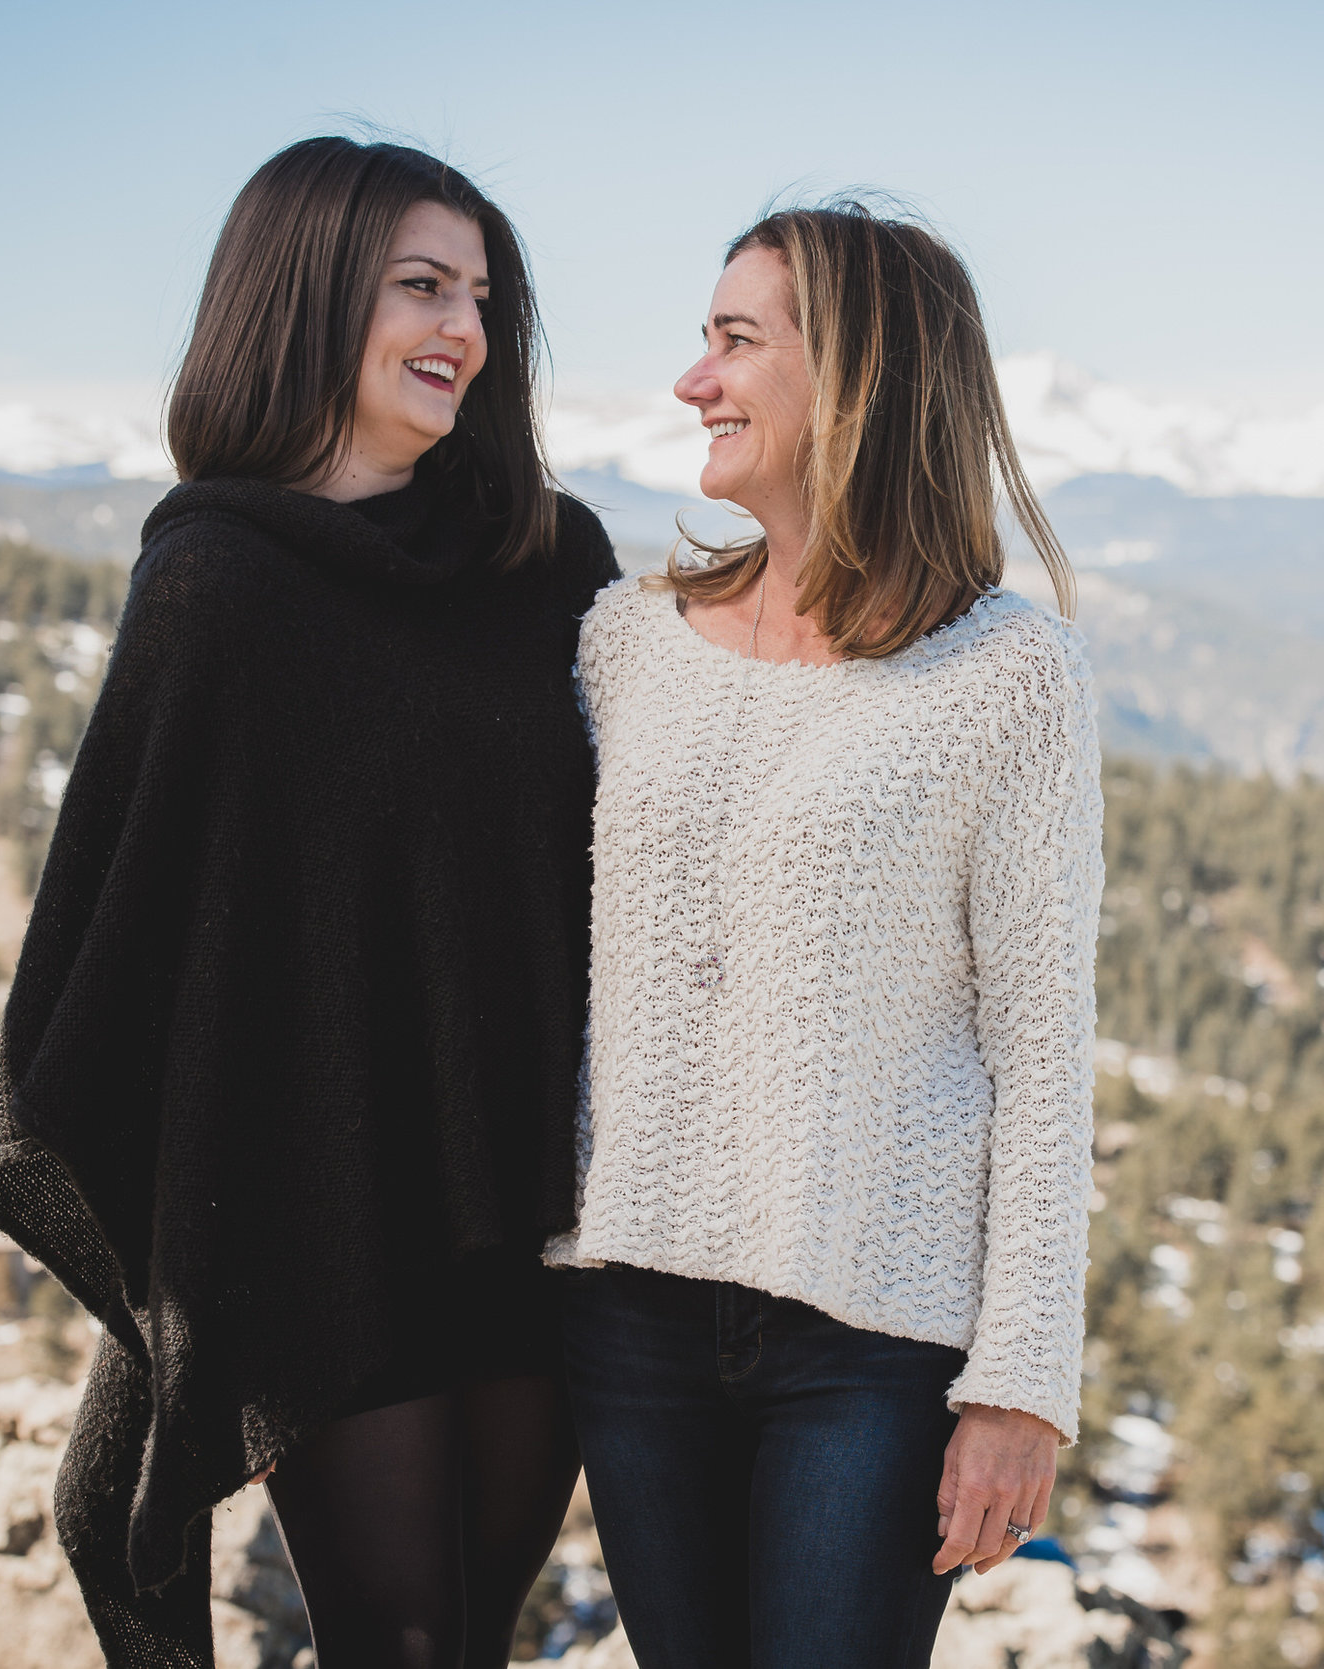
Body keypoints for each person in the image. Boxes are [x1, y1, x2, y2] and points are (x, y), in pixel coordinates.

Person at [0, 136, 617, 1669]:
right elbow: (134, 930)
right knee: (395, 1633)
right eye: (418, 285)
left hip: (537, 1192)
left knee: (475, 1621)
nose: (461, 326)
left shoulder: (551, 562)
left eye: (479, 293)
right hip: (329, 1212)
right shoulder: (217, 584)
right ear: (308, 294)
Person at [552, 199, 1103, 1669]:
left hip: (875, 1339)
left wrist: (1024, 1382)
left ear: (851, 377)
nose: (694, 382)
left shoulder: (1008, 679)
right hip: (633, 1319)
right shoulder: (624, 643)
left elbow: (1044, 1054)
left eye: (734, 342)